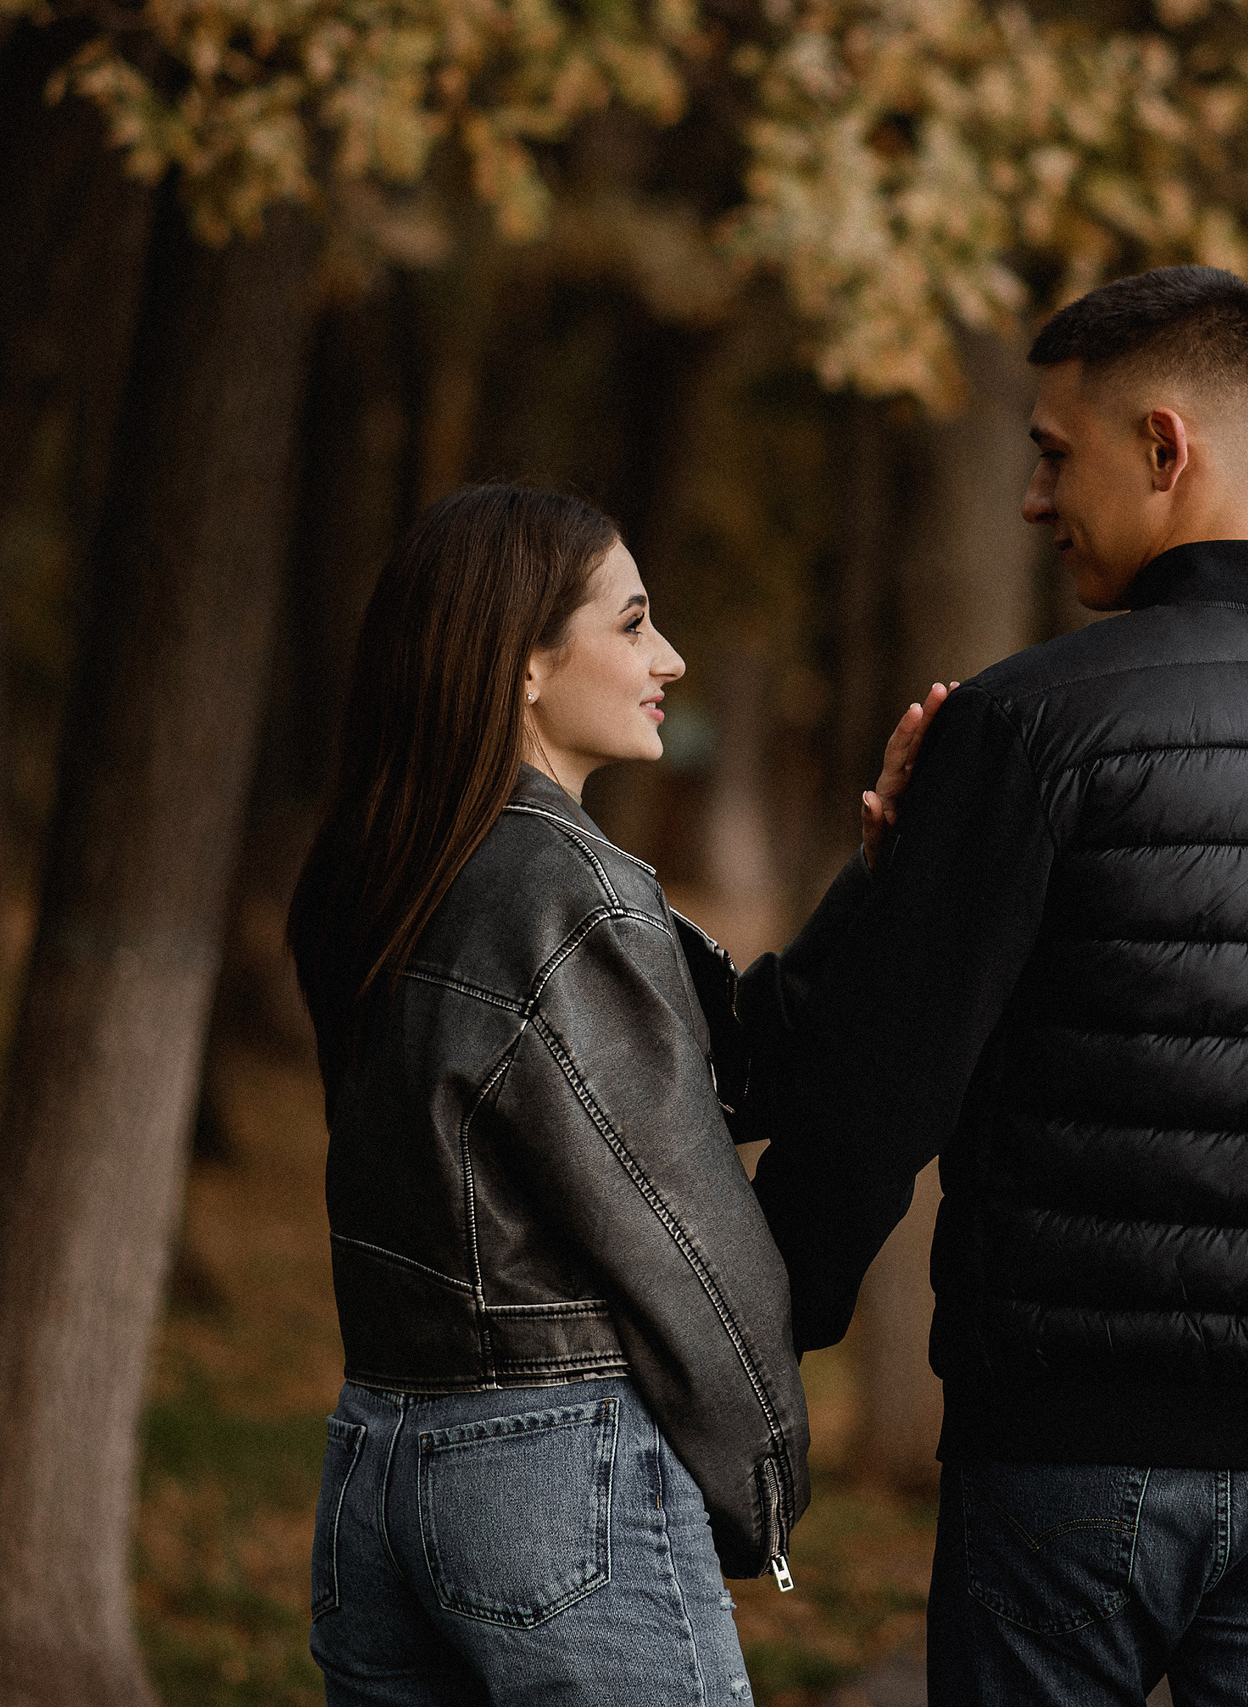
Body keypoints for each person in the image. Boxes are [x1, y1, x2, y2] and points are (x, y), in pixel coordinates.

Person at [742, 266, 1248, 1706]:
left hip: (1066, 1461)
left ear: (1164, 447)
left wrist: (752, 1336)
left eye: (1055, 455)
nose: (1033, 500)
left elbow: (874, 1094)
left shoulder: (1028, 725)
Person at [287, 482, 928, 1704]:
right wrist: (766, 1472)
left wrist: (878, 878)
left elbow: (721, 1059)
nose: (668, 658)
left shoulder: (384, 871)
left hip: (377, 1455)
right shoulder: (568, 894)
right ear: (523, 665)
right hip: (547, 1476)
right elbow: (689, 1246)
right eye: (631, 624)